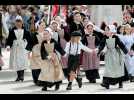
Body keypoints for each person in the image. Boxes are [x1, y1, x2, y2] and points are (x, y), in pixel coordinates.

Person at [98, 25, 128, 89]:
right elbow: (101, 45)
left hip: (116, 54)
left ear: (111, 30)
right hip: (109, 55)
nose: (105, 31)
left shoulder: (116, 37)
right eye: (105, 30)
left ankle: (120, 83)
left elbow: (121, 44)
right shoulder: (105, 37)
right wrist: (99, 51)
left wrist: (126, 51)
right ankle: (106, 83)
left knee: (118, 69)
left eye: (107, 30)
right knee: (108, 69)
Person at [6, 15, 32, 82]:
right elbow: (9, 39)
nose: (18, 23)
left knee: (22, 62)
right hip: (15, 48)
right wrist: (8, 46)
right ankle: (18, 76)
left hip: (23, 48)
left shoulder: (26, 31)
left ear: (22, 22)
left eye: (19, 22)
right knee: (17, 62)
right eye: (17, 22)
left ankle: (22, 76)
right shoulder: (12, 31)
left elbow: (29, 39)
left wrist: (29, 48)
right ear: (15, 23)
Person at [29, 20, 46, 85]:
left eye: (44, 25)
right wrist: (29, 52)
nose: (43, 26)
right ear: (38, 26)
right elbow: (30, 44)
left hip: (44, 51)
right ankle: (36, 80)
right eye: (42, 25)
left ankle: (43, 80)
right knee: (36, 66)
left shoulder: (46, 33)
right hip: (36, 51)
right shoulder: (34, 34)